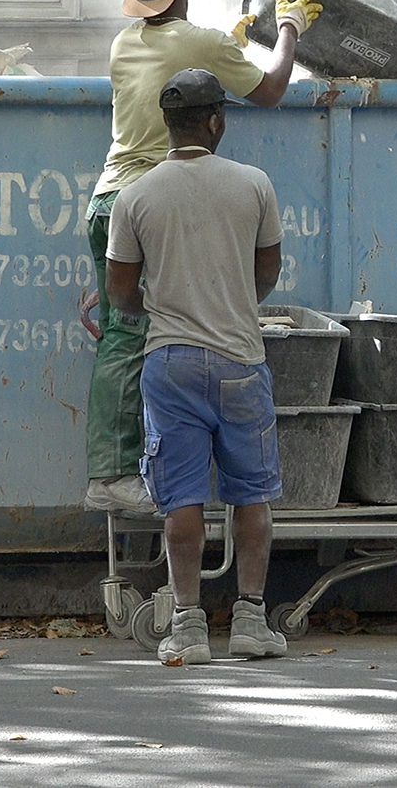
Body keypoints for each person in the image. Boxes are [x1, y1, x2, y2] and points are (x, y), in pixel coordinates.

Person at [82, 0, 321, 514]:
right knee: (135, 337)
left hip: (109, 198)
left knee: (126, 332)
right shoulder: (202, 44)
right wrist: (288, 29)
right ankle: (113, 477)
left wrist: (226, 44)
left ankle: (124, 468)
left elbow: (181, 58)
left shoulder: (124, 43)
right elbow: (272, 88)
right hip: (152, 199)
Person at [105, 68, 289, 663]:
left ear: (167, 123)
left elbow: (121, 293)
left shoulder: (135, 195)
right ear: (216, 120)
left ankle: (186, 625)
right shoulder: (254, 184)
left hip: (170, 362)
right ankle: (251, 622)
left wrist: (163, 304)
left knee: (181, 498)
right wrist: (230, 299)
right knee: (251, 494)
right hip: (241, 358)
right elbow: (267, 274)